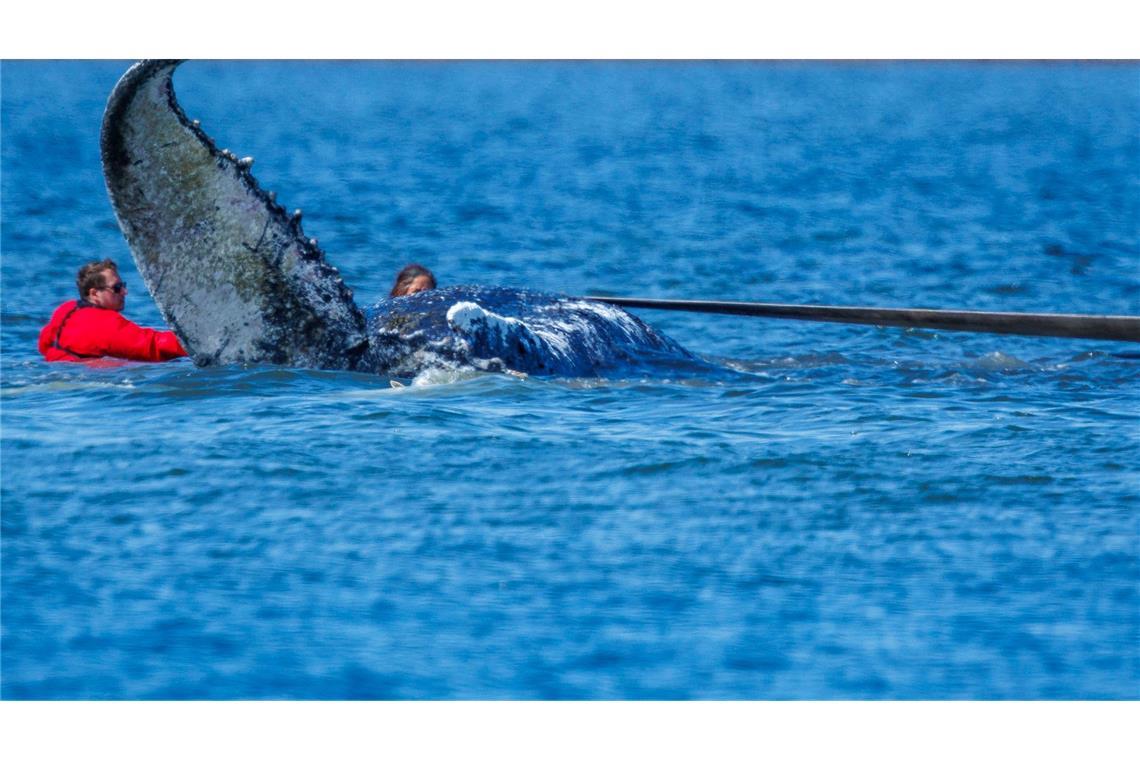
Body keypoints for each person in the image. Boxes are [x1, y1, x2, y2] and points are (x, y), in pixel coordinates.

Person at [38, 259, 188, 363]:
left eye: (123, 285)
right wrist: (196, 339)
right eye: (117, 288)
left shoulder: (67, 309)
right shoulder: (101, 324)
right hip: (85, 380)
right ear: (94, 294)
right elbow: (153, 346)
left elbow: (44, 343)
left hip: (60, 371)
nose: (125, 292)